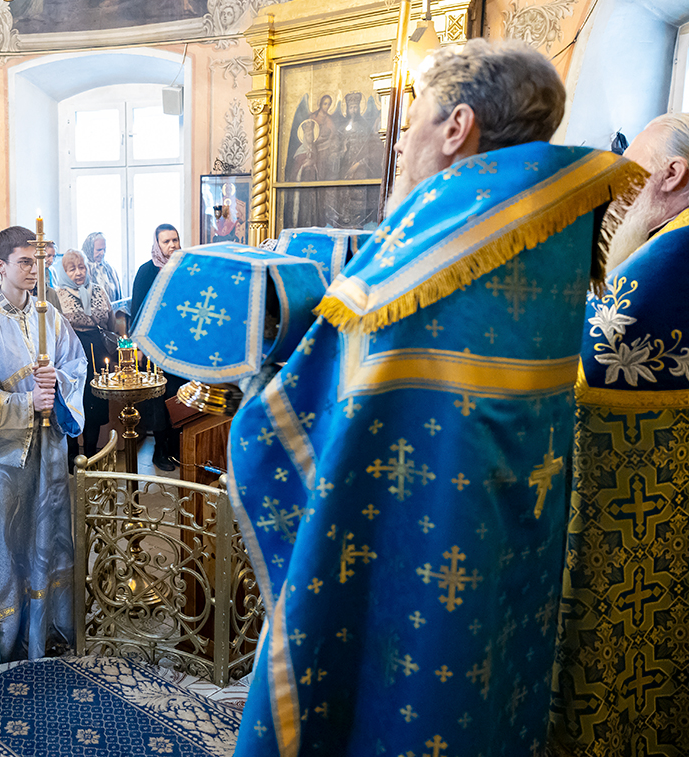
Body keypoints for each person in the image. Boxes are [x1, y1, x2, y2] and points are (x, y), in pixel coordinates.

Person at [226, 39, 645, 757]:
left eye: (412, 119)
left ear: (457, 128)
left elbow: (303, 405)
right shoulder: (554, 224)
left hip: (417, 546)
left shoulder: (430, 250)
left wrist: (255, 391)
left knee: (402, 708)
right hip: (514, 539)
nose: (399, 144)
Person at [550, 113, 689, 753]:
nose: (621, 191)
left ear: (672, 174)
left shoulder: (672, 253)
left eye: (634, 170)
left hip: (627, 520)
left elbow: (587, 361)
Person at [0, 225, 88, 661]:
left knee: (50, 533)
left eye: (36, 261)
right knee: (10, 541)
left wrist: (60, 383)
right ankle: (11, 638)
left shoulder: (49, 314)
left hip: (49, 448)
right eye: (23, 262)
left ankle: (51, 627)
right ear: (0, 266)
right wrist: (26, 403)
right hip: (6, 458)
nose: (33, 269)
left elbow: (77, 364)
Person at [130, 224, 184, 472]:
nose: (172, 245)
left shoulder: (185, 268)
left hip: (180, 347)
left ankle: (175, 447)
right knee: (158, 399)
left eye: (175, 240)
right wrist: (139, 346)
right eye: (166, 241)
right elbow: (137, 311)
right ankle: (159, 451)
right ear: (157, 244)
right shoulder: (146, 271)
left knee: (177, 395)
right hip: (153, 346)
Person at [57, 248, 113, 455]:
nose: (78, 273)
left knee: (95, 403)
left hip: (97, 351)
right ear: (64, 272)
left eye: (81, 267)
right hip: (71, 352)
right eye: (72, 269)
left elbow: (110, 321)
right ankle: (72, 454)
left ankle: (91, 454)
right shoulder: (57, 294)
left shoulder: (98, 290)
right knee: (72, 400)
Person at [82, 231, 122, 302]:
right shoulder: (82, 270)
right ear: (89, 249)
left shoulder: (110, 269)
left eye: (104, 249)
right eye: (99, 250)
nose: (102, 253)